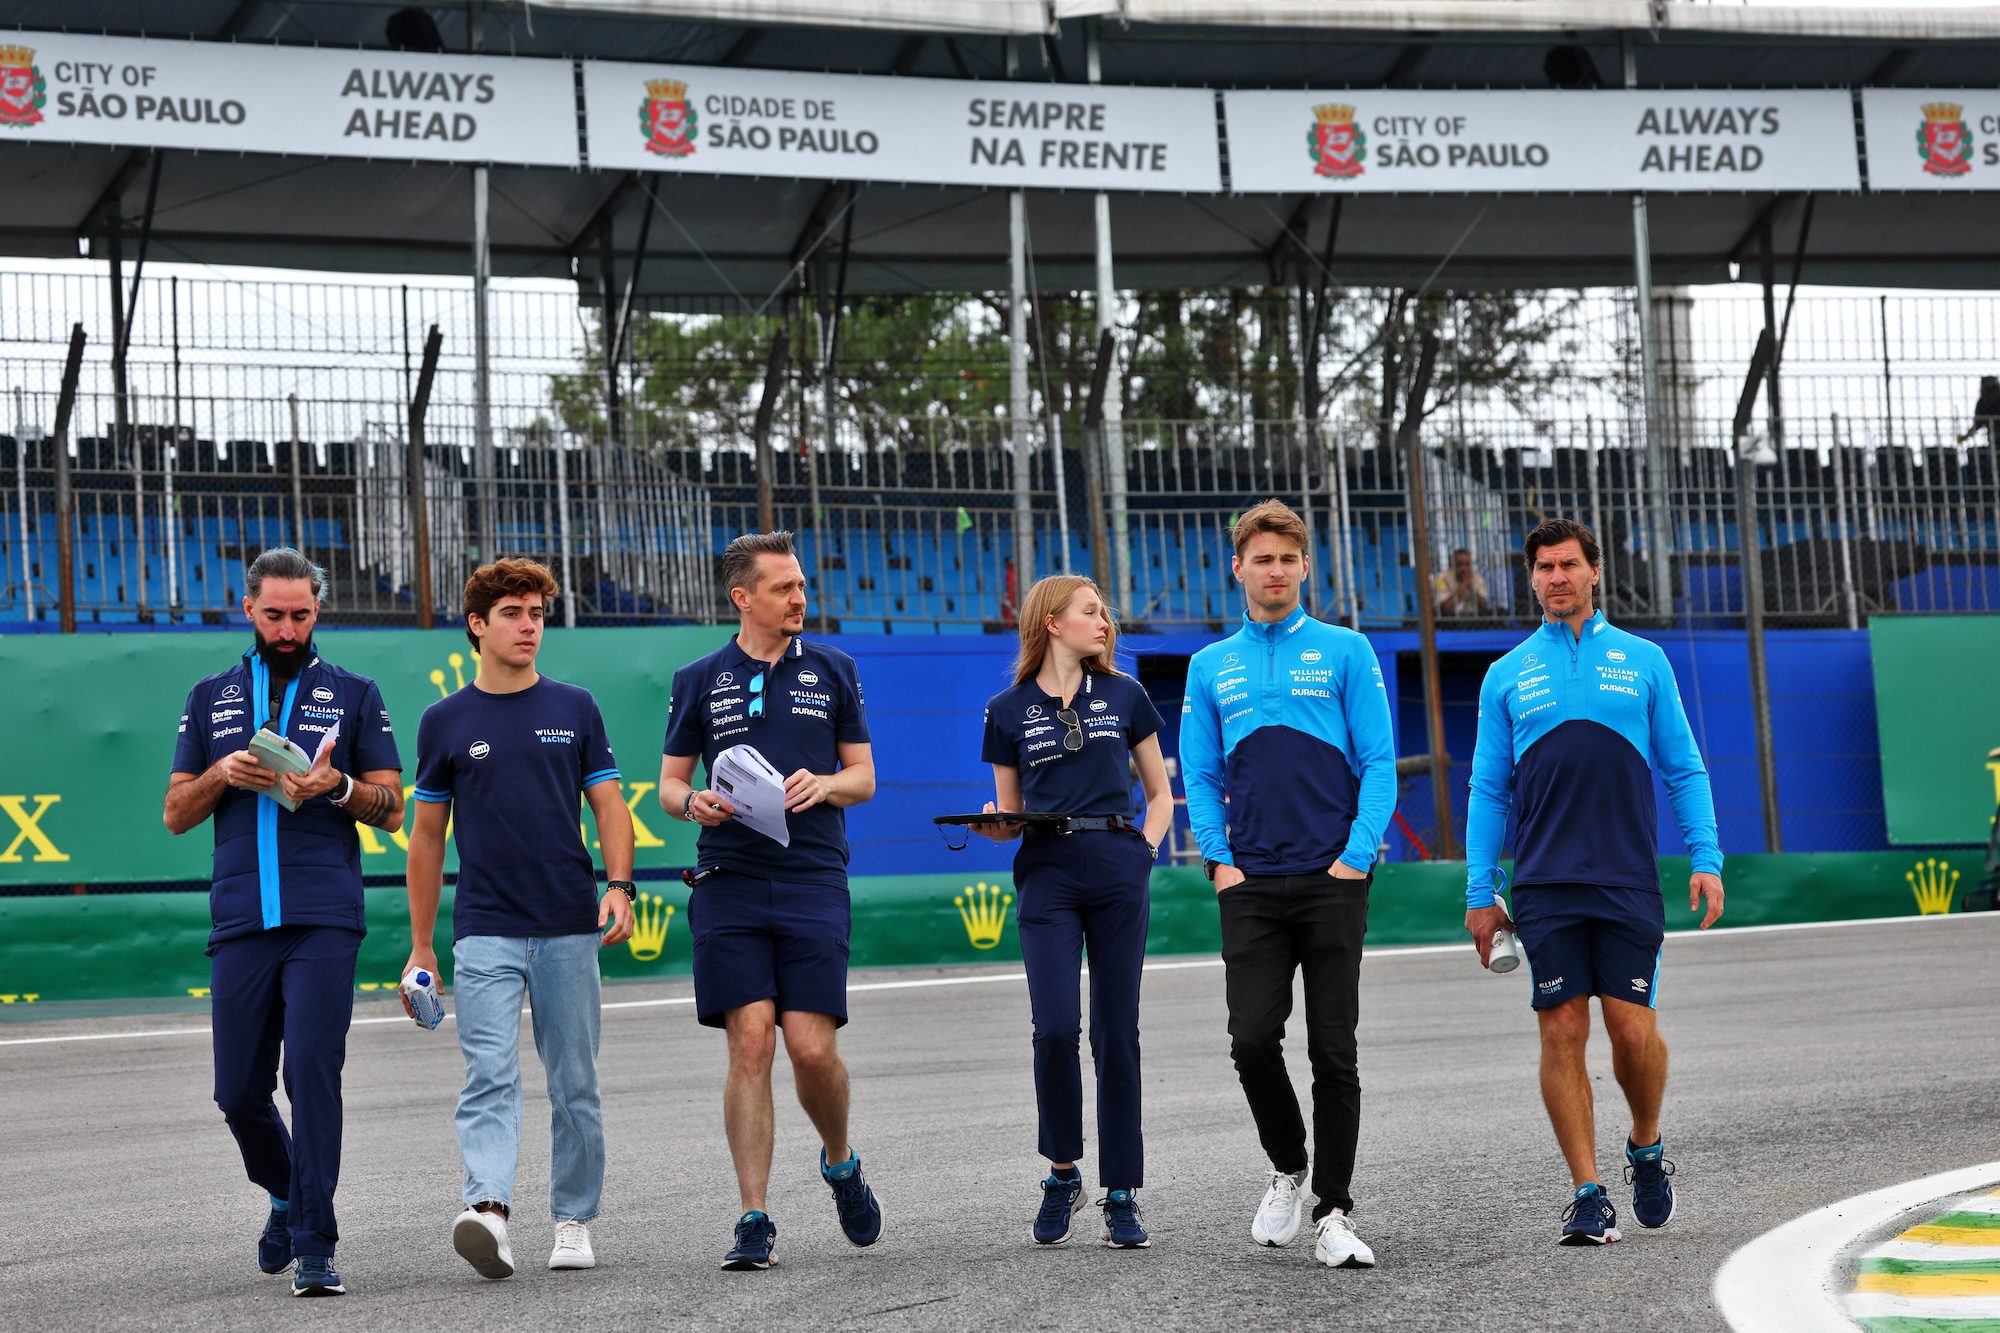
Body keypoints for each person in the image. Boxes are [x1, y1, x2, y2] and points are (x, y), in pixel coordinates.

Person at [1462, 517, 1724, 1247]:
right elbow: (1488, 789)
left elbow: (1683, 766)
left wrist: (1706, 856)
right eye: (1543, 567)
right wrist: (1480, 892)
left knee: (1632, 1028)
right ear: (1531, 577)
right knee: (1563, 1027)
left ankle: (1645, 1144)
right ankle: (1586, 1192)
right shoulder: (1506, 673)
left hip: (1627, 880)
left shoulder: (1643, 660)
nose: (1556, 578)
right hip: (1544, 885)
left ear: (1595, 570)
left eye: (1568, 564)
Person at [162, 547, 404, 1298]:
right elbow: (174, 812)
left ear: (318, 610)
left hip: (324, 915)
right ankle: (284, 1191)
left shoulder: (354, 693)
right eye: (276, 614)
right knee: (237, 1091)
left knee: (310, 1072)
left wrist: (338, 787)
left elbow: (394, 807)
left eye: (302, 613)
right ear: (249, 609)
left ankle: (314, 1242)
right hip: (239, 919)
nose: (290, 626)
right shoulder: (211, 696)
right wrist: (221, 773)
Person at [404, 558, 637, 1281]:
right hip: (483, 928)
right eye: (513, 613)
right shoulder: (444, 721)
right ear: (478, 624)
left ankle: (573, 1219)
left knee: (575, 1081)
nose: (529, 624)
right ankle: (490, 1213)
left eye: (536, 612)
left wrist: (620, 885)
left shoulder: (576, 706)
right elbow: (427, 837)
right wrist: (421, 946)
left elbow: (609, 807)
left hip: (569, 922)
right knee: (488, 1076)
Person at [1178, 499, 1397, 1270]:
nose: (1274, 571)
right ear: (1236, 568)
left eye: (1287, 559)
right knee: (1249, 1039)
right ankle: (1288, 1165)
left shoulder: (1345, 650)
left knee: (1335, 1050)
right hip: (1251, 881)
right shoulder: (1210, 666)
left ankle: (1334, 1209)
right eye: (1260, 558)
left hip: (1333, 877)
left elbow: (1378, 761)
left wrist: (1358, 853)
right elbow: (1199, 773)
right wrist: (1220, 859)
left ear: (1306, 567)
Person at [658, 530, 882, 1270]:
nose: (800, 598)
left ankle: (841, 1160)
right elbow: (668, 785)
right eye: (784, 587)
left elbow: (865, 777)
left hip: (815, 876)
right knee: (750, 1040)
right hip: (727, 881)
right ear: (742, 597)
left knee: (812, 1049)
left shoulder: (835, 668)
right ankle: (753, 1214)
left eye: (802, 585)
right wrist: (694, 804)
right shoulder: (697, 678)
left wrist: (824, 785)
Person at [972, 575, 1173, 1248]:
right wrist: (996, 827)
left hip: (1119, 865)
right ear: (1052, 622)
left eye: (1106, 612)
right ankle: (1063, 1171)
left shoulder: (1126, 694)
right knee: (1055, 1026)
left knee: (1117, 1031)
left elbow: (1161, 795)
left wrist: (1144, 852)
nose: (1105, 621)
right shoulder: (1005, 708)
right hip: (1046, 871)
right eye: (1091, 611)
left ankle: (1121, 1190)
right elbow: (1007, 806)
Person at [1433, 548, 1491, 616]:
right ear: (1452, 566)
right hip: (1449, 620)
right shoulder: (1439, 579)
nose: (1464, 569)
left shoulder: (1478, 579)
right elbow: (1445, 609)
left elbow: (1484, 606)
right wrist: (1463, 586)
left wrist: (1471, 589)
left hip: (1472, 618)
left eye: (1467, 565)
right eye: (1459, 565)